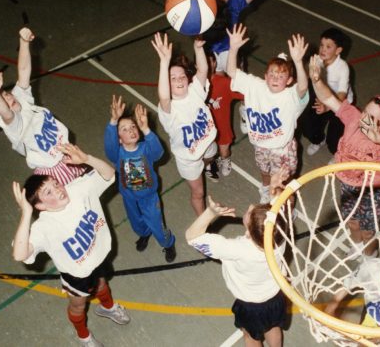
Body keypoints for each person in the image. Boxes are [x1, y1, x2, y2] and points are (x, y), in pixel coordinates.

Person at [12, 143, 130, 347]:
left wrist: (87, 160)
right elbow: (20, 255)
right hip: (76, 275)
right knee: (78, 305)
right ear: (39, 206)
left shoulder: (78, 189)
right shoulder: (43, 227)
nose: (58, 190)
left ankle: (108, 308)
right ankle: (83, 336)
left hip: (99, 256)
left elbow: (109, 174)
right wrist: (26, 213)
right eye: (48, 192)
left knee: (102, 284)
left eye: (55, 184)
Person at [309, 55, 380, 256]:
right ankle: (356, 247)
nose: (364, 118)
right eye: (365, 111)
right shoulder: (355, 119)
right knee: (352, 223)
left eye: (372, 118)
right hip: (348, 184)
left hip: (372, 192)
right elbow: (328, 98)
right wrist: (316, 79)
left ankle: (369, 255)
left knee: (368, 232)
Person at [185, 168, 290, 347]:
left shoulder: (236, 249)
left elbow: (191, 236)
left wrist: (210, 212)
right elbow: (276, 209)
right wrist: (275, 188)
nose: (249, 207)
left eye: (250, 213)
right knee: (273, 327)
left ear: (249, 232)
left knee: (251, 337)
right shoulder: (278, 236)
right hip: (275, 297)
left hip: (251, 306)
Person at [0, 27, 85, 185]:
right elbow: (7, 113)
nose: (7, 96)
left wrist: (23, 42)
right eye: (1, 99)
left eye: (4, 93)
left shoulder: (20, 98)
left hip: (64, 152)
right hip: (53, 169)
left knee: (86, 186)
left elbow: (24, 71)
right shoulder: (14, 125)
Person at [227, 24, 309, 204]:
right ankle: (265, 190)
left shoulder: (290, 96)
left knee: (283, 182)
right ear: (265, 76)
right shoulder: (255, 85)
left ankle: (284, 205)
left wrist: (298, 61)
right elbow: (232, 72)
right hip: (260, 146)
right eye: (272, 74)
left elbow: (303, 87)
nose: (275, 78)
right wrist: (233, 49)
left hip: (282, 149)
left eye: (281, 76)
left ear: (289, 81)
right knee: (264, 172)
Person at [178, 0, 261, 135]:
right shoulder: (204, 2)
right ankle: (214, 113)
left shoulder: (235, 3)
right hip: (210, 51)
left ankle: (245, 110)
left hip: (230, 50)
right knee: (217, 84)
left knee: (239, 81)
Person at [103, 95, 176, 263]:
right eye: (124, 129)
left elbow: (159, 153)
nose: (130, 130)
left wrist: (146, 130)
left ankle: (168, 242)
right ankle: (144, 234)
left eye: (133, 126)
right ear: (119, 139)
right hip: (129, 197)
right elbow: (109, 147)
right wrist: (113, 121)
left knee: (157, 224)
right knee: (136, 223)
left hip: (149, 197)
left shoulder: (146, 148)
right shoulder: (117, 153)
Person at [151, 32, 218, 215]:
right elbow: (163, 95)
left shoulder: (196, 90)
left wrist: (198, 48)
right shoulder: (169, 109)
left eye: (182, 76)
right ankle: (202, 225)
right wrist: (164, 63)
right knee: (199, 192)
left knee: (211, 156)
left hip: (208, 142)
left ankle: (208, 164)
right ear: (167, 83)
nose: (179, 80)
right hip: (188, 157)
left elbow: (203, 71)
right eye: (173, 78)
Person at [300, 28, 354, 156]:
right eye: (322, 45)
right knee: (306, 127)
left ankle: (337, 155)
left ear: (338, 50)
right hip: (321, 98)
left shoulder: (343, 68)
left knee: (334, 141)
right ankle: (319, 140)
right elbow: (309, 80)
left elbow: (342, 95)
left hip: (339, 104)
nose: (323, 49)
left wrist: (327, 107)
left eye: (328, 47)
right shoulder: (317, 60)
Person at [205, 51, 244, 177]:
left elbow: (244, 93)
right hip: (204, 129)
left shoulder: (224, 82)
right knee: (207, 152)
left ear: (214, 63)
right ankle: (210, 163)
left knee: (224, 150)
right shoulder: (193, 84)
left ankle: (225, 160)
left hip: (222, 128)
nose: (206, 65)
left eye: (209, 61)